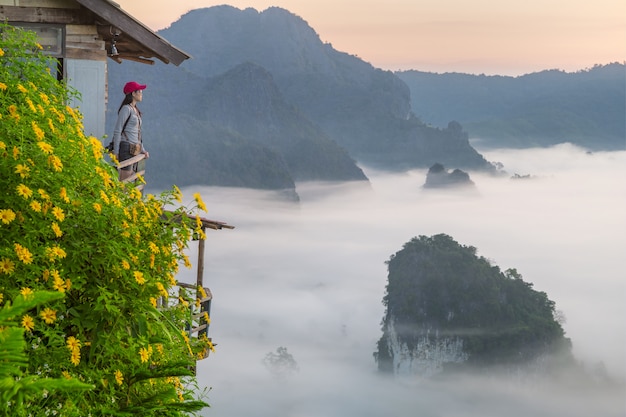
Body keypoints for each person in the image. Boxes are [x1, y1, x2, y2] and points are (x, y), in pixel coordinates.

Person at [112, 81, 149, 180]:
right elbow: (118, 130)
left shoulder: (135, 110)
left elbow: (137, 133)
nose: (141, 93)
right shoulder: (126, 109)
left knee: (130, 179)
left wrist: (143, 150)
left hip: (134, 149)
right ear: (133, 93)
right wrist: (116, 152)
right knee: (125, 180)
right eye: (140, 91)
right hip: (126, 148)